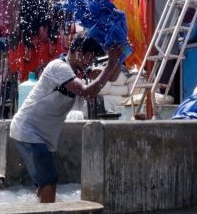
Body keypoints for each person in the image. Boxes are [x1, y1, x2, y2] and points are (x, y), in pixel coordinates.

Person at [9, 32, 123, 203]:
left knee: (45, 182)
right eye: (89, 57)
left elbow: (112, 76)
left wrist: (119, 57)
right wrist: (110, 64)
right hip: (28, 131)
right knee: (48, 180)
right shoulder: (59, 67)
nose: (90, 62)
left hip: (39, 135)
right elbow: (86, 93)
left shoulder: (79, 70)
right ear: (77, 51)